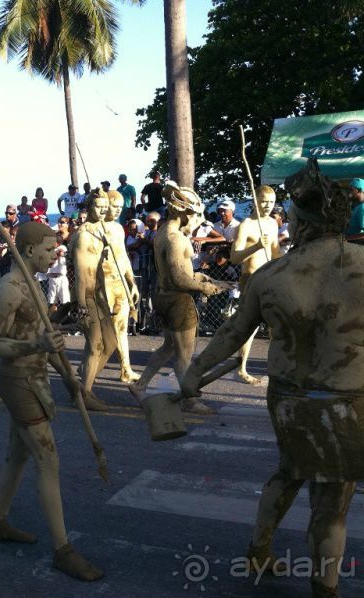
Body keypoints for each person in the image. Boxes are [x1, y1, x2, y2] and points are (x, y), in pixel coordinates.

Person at [182, 160, 362, 598]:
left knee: (290, 470)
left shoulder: (271, 277)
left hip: (291, 399)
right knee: (332, 500)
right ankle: (325, 588)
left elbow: (230, 334)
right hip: (349, 399)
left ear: (299, 221)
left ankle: (259, 548)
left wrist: (194, 374)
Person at [0, 221, 104, 582]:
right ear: (30, 249)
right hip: (18, 381)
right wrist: (36, 347)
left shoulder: (33, 283)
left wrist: (66, 374)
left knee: (18, 454)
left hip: (37, 377)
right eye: (49, 249)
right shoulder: (9, 289)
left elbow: (41, 336)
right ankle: (63, 549)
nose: (55, 254)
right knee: (47, 458)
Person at [128, 182, 231, 413]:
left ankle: (141, 384)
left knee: (168, 347)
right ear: (184, 213)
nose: (197, 220)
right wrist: (207, 288)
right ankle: (188, 400)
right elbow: (180, 279)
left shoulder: (162, 232)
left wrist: (204, 278)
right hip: (177, 300)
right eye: (195, 215)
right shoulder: (176, 239)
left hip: (163, 295)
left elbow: (182, 272)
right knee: (185, 354)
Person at [73, 191, 139, 402]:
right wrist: (81, 303)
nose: (111, 210)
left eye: (107, 207)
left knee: (110, 340)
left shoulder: (115, 229)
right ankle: (85, 390)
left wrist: (132, 283)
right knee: (95, 343)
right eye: (104, 206)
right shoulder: (86, 234)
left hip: (111, 288)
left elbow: (123, 258)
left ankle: (88, 381)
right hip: (95, 292)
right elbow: (82, 273)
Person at [230, 185, 280, 385]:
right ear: (255, 200)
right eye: (264, 202)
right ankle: (240, 368)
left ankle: (277, 367)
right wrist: (257, 246)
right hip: (250, 279)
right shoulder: (246, 225)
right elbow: (234, 258)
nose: (268, 206)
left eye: (271, 202)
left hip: (270, 279)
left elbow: (276, 254)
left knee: (275, 325)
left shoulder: (273, 224)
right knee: (249, 327)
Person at [105, 190, 141, 382]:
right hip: (104, 284)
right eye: (114, 207)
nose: (118, 211)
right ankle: (87, 369)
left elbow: (123, 257)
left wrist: (132, 282)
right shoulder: (95, 228)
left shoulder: (119, 229)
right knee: (99, 333)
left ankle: (125, 368)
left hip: (120, 283)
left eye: (120, 208)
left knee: (121, 328)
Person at [46, 233, 69, 313]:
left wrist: (58, 255)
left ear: (57, 243)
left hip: (61, 278)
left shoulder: (62, 247)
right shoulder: (50, 250)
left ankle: (66, 316)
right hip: (52, 278)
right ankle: (52, 316)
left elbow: (61, 252)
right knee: (52, 300)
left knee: (64, 299)